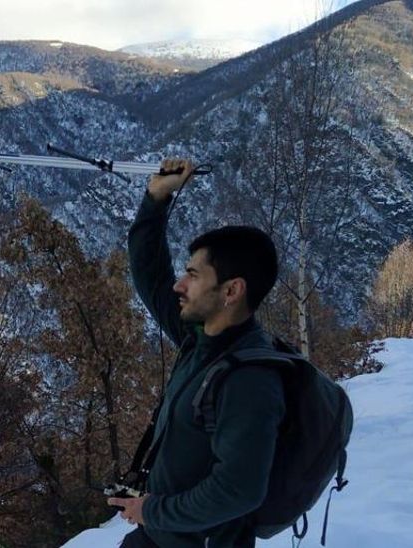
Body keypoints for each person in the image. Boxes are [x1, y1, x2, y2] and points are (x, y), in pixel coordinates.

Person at [108, 158, 285, 547]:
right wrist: (155, 200)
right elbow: (151, 275)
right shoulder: (202, 338)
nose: (179, 285)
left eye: (193, 274)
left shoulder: (249, 381)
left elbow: (238, 491)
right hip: (157, 537)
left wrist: (152, 510)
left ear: (231, 291)